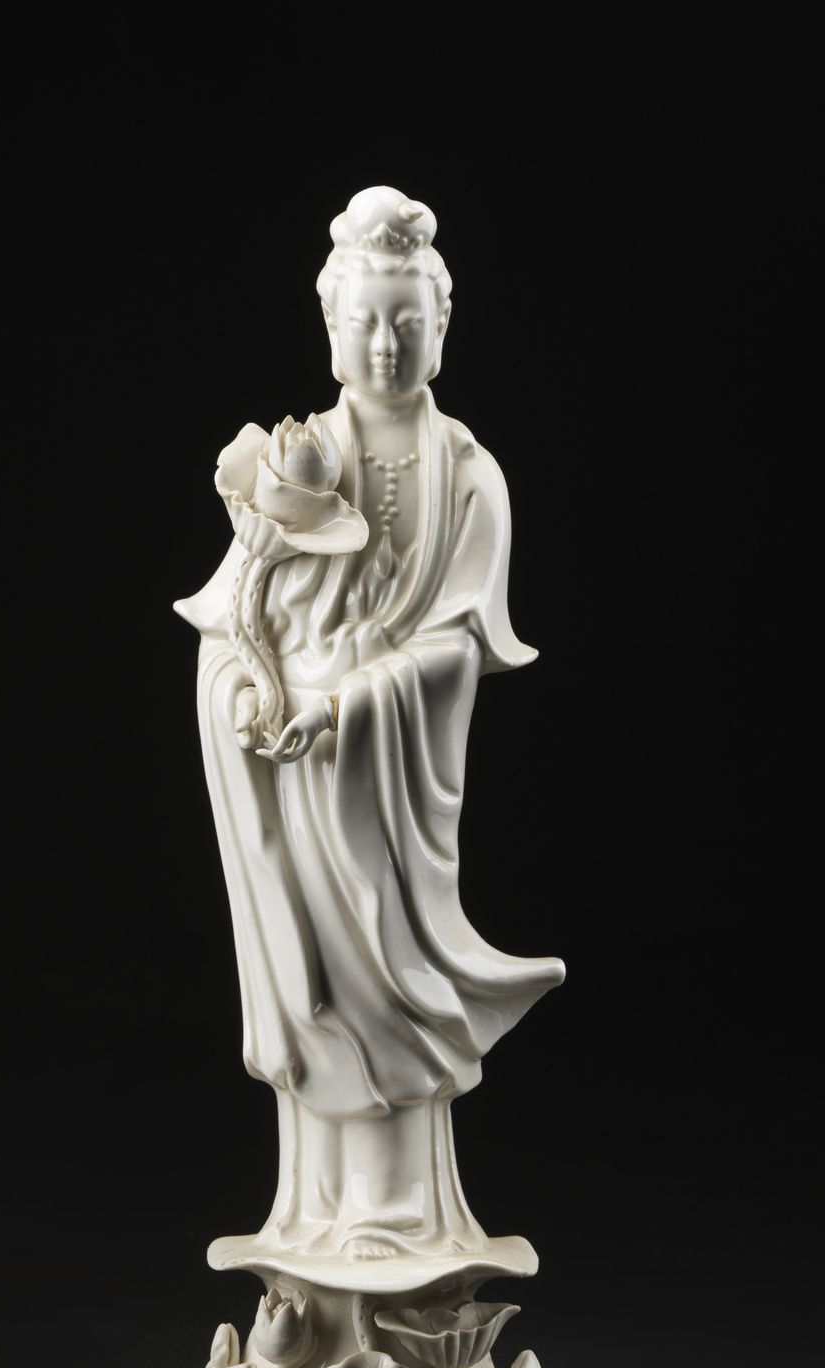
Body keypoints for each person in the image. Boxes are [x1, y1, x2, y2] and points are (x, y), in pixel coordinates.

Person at [175, 186, 564, 1259]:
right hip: (299, 776)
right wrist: (254, 696)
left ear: (443, 323)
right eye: (365, 322)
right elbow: (225, 625)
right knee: (316, 986)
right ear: (329, 324)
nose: (386, 346)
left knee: (388, 983)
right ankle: (315, 1216)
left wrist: (341, 701)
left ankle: (397, 1219)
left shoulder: (470, 478)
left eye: (408, 322)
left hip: (385, 783)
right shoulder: (295, 464)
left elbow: (455, 648)